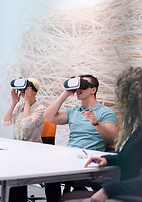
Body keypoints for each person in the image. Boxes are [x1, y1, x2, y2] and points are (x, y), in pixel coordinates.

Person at [78, 67, 142, 202]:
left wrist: (108, 190)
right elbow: (130, 157)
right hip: (132, 195)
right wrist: (107, 159)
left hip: (139, 198)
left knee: (66, 198)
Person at [43, 74, 118, 202]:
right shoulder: (73, 111)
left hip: (89, 161)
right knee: (49, 175)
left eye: (83, 85)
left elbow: (112, 138)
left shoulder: (105, 112)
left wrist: (96, 122)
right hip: (70, 158)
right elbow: (49, 117)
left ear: (93, 90)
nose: (78, 89)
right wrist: (66, 93)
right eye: (77, 86)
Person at [0, 77, 46, 202]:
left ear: (34, 91)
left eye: (26, 88)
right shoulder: (19, 106)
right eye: (22, 88)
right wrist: (14, 102)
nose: (22, 90)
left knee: (15, 170)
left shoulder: (41, 109)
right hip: (17, 149)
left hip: (33, 151)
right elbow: (5, 122)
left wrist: (27, 103)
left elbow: (27, 125)